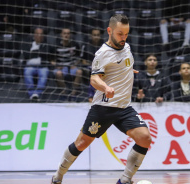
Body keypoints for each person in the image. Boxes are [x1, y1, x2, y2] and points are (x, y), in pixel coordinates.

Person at [51, 14, 152, 184]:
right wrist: (106, 88)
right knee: (81, 143)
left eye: (126, 34)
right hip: (103, 108)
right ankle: (58, 176)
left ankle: (124, 180)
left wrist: (128, 71)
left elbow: (122, 65)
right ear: (109, 30)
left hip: (124, 107)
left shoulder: (126, 47)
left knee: (145, 138)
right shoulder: (102, 53)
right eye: (120, 34)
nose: (123, 38)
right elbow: (94, 79)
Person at [22, 27, 52, 102]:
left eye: (41, 34)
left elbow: (46, 55)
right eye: (37, 34)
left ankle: (37, 94)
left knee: (44, 73)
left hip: (42, 66)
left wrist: (33, 53)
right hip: (30, 66)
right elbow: (26, 55)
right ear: (34, 35)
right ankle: (31, 94)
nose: (39, 36)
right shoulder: (28, 44)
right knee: (27, 72)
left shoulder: (47, 45)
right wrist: (39, 53)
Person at [52, 28, 82, 100]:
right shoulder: (56, 45)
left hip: (72, 66)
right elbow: (51, 60)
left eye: (68, 33)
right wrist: (57, 65)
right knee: (58, 73)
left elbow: (79, 58)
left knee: (79, 72)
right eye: (64, 33)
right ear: (61, 34)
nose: (66, 35)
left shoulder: (75, 44)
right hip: (61, 67)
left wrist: (75, 64)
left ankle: (73, 93)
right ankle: (64, 92)